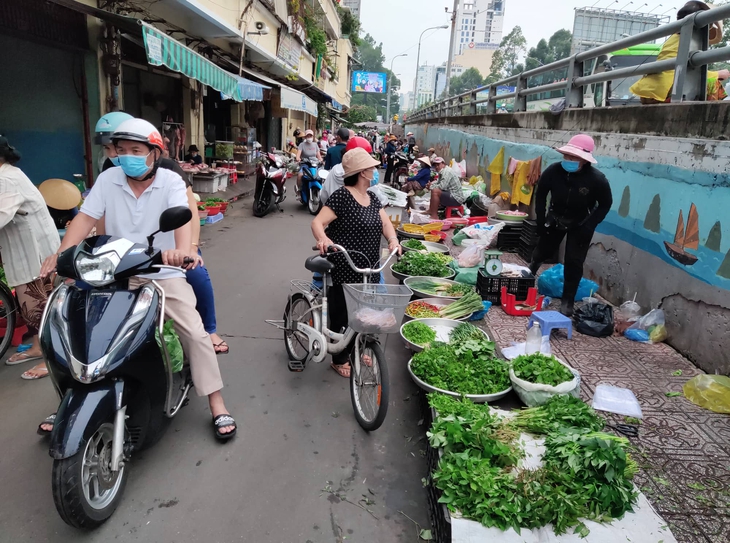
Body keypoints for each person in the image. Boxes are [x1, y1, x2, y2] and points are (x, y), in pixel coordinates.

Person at [39, 119, 236, 440]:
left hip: (160, 270)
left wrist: (182, 251)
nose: (126, 155)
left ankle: (216, 401)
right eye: (122, 150)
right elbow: (83, 220)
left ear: (154, 153)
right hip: (112, 271)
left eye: (136, 150)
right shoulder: (108, 180)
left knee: (195, 332)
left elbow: (182, 220)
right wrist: (62, 256)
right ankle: (69, 400)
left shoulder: (171, 181)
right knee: (73, 325)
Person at [96, 115, 229, 355]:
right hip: (126, 252)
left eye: (131, 149)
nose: (117, 155)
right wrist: (101, 250)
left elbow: (188, 212)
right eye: (111, 149)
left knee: (197, 274)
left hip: (168, 248)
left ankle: (208, 330)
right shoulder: (110, 172)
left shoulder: (166, 168)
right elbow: (100, 216)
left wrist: (189, 248)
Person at [311, 148, 401, 378]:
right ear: (363, 172)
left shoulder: (372, 198)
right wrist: (323, 239)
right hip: (344, 265)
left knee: (364, 312)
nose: (375, 169)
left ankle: (357, 349)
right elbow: (318, 223)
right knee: (343, 313)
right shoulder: (342, 196)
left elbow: (386, 224)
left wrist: (393, 240)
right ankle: (339, 358)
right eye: (371, 167)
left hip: (368, 266)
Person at [529, 134, 613, 317]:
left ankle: (567, 301)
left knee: (574, 262)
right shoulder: (553, 171)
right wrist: (541, 220)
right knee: (542, 251)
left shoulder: (597, 179)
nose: (569, 160)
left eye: (574, 158)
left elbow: (605, 204)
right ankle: (529, 275)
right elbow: (541, 194)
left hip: (580, 223)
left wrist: (589, 225)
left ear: (584, 160)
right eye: (567, 156)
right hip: (555, 217)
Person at [0, 136, 61, 380]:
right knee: (33, 301)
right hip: (26, 245)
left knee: (38, 302)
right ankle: (38, 348)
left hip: (32, 248)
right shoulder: (8, 173)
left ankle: (54, 359)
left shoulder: (5, 178)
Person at [630, 1, 725, 104]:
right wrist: (717, 74)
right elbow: (689, 72)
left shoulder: (674, 38)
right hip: (667, 92)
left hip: (647, 91)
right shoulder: (691, 41)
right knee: (714, 83)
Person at [295, 129, 323, 201]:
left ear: (313, 136)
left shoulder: (315, 145)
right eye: (308, 135)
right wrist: (298, 159)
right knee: (300, 175)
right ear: (305, 136)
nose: (309, 137)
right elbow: (298, 155)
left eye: (310, 135)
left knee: (320, 176)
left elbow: (318, 156)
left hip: (314, 164)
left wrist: (320, 160)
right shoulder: (302, 145)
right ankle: (299, 192)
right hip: (305, 164)